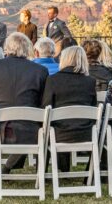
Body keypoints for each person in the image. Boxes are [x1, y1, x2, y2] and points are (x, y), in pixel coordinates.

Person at [0, 32, 49, 185]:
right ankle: (24, 172)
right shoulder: (40, 71)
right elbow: (44, 102)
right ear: (27, 48)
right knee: (24, 127)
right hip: (31, 133)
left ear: (7, 48)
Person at [41, 45, 98, 173]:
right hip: (86, 133)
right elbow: (93, 107)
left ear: (64, 59)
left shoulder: (52, 80)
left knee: (55, 122)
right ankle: (88, 175)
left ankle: (60, 170)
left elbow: (46, 108)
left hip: (58, 134)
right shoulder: (90, 81)